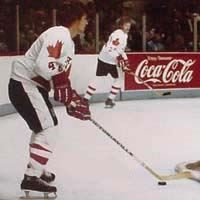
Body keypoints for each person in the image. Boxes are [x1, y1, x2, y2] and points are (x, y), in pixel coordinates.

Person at [8, 1, 90, 197]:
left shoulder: (68, 42)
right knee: (48, 129)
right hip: (25, 84)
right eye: (85, 19)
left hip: (31, 86)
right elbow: (43, 66)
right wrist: (62, 88)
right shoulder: (59, 34)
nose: (87, 23)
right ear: (76, 20)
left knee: (44, 127)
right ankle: (31, 177)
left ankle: (37, 167)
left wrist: (70, 98)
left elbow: (60, 76)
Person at [84, 16, 132, 108]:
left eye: (129, 25)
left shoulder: (124, 35)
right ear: (121, 25)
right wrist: (119, 60)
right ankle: (108, 100)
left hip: (105, 58)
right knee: (116, 79)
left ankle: (86, 99)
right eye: (126, 25)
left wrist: (125, 61)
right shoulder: (118, 34)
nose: (128, 27)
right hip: (108, 60)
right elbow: (110, 48)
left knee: (103, 79)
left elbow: (120, 50)